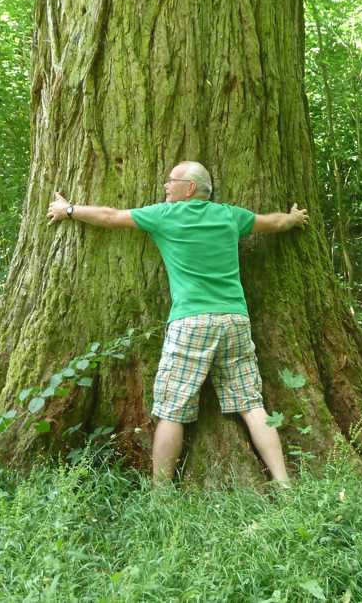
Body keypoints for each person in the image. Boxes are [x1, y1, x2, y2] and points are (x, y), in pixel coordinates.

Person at [46, 161, 308, 486]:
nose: (166, 186)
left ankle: (161, 496)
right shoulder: (229, 215)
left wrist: (68, 209)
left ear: (191, 188)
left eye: (172, 181)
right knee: (252, 405)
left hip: (191, 321)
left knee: (171, 410)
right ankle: (284, 485)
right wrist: (295, 219)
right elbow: (273, 222)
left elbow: (110, 217)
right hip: (234, 320)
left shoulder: (166, 216)